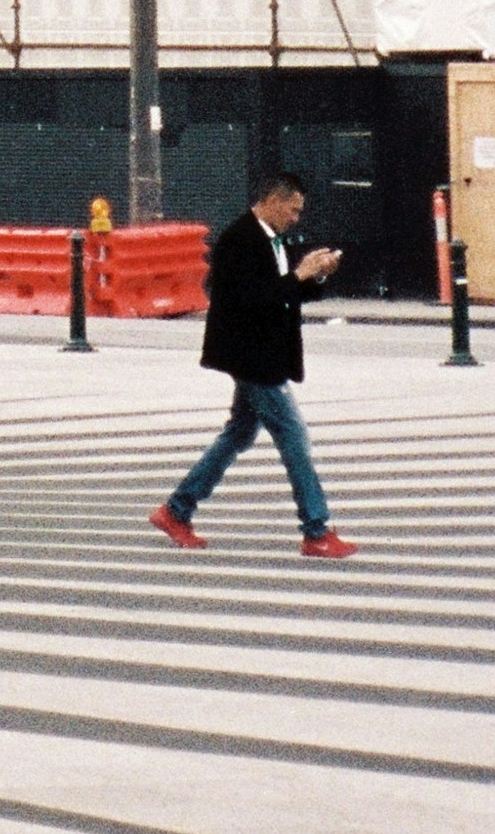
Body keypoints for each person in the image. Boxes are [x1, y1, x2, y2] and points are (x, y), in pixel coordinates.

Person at [153, 172, 357, 559]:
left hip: (263, 355)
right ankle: (316, 529)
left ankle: (176, 510)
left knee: (239, 433)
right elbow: (253, 300)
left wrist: (315, 277)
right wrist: (299, 275)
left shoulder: (269, 238)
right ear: (273, 201)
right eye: (293, 210)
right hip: (254, 358)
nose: (296, 218)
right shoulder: (238, 240)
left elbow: (285, 294)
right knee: (293, 439)